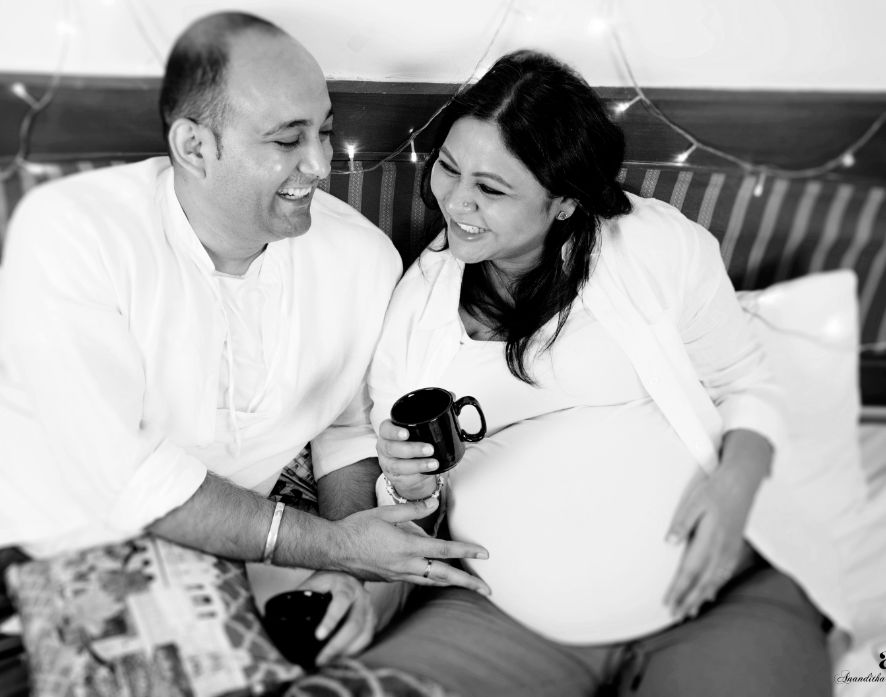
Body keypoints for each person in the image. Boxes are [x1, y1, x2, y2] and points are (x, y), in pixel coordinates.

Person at [0, 12, 490, 696]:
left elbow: (345, 428)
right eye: (286, 139)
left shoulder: (362, 259)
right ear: (194, 146)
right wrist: (337, 546)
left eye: (324, 131)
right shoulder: (75, 228)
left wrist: (343, 567)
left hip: (120, 578)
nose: (321, 164)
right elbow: (125, 477)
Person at [356, 51, 832, 696]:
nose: (457, 201)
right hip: (502, 617)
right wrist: (405, 483)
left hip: (720, 598)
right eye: (448, 167)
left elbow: (746, 381)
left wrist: (735, 491)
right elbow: (407, 505)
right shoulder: (414, 312)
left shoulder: (655, 247)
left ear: (564, 201)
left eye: (492, 189)